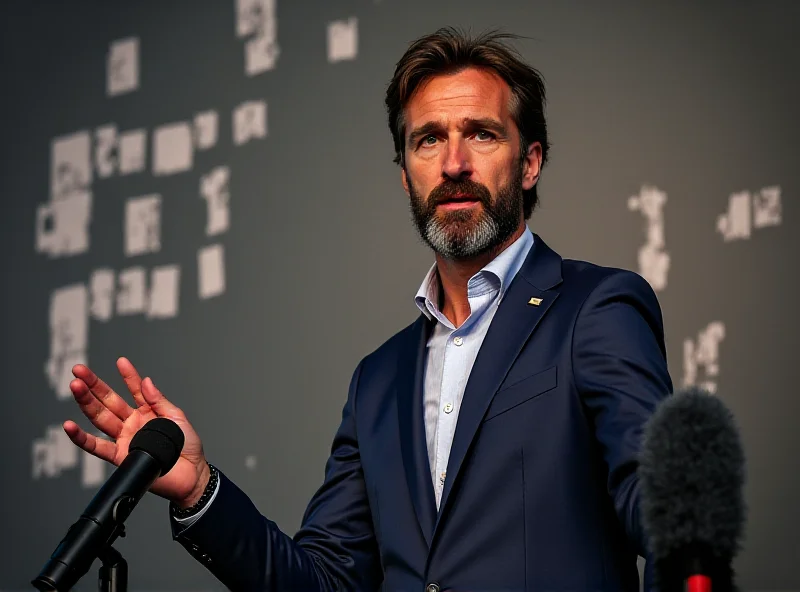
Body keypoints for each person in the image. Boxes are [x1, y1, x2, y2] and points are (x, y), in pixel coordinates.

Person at [64, 27, 672, 591]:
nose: (454, 163)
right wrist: (199, 490)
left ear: (530, 161)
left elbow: (666, 514)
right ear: (407, 177)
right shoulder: (377, 382)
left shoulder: (596, 308)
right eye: (428, 139)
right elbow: (324, 580)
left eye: (481, 133)